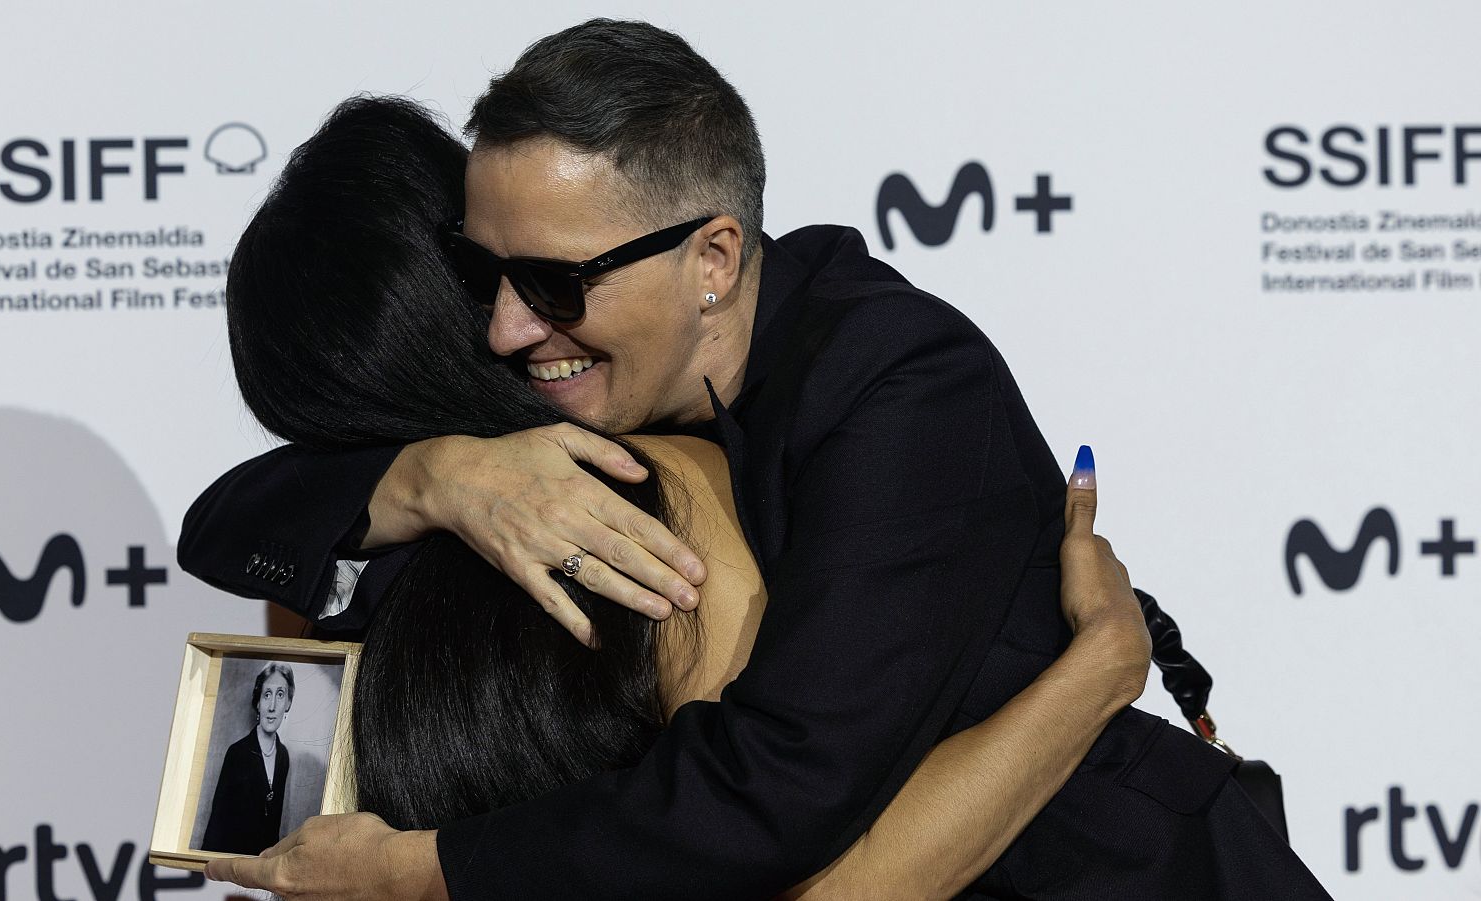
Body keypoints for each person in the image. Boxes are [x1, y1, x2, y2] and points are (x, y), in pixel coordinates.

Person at [185, 21, 1331, 900]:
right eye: (485, 280)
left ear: (714, 259)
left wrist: (416, 869)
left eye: (551, 284)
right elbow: (231, 519)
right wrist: (436, 473)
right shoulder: (582, 420)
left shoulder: (900, 382)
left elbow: (771, 790)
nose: (506, 328)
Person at [201, 662, 293, 855]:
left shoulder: (283, 756)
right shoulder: (237, 753)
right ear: (258, 702)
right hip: (231, 864)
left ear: (288, 703)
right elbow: (217, 825)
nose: (273, 706)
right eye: (267, 695)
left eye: (280, 695)